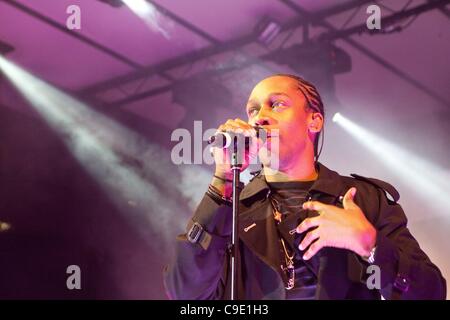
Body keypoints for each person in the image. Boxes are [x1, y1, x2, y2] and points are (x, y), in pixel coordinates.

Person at [163, 74, 446, 299]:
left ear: (314, 120)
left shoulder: (363, 199)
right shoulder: (232, 209)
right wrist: (224, 178)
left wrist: (370, 245)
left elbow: (432, 292)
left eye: (277, 104)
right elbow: (185, 293)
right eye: (253, 109)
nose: (259, 116)